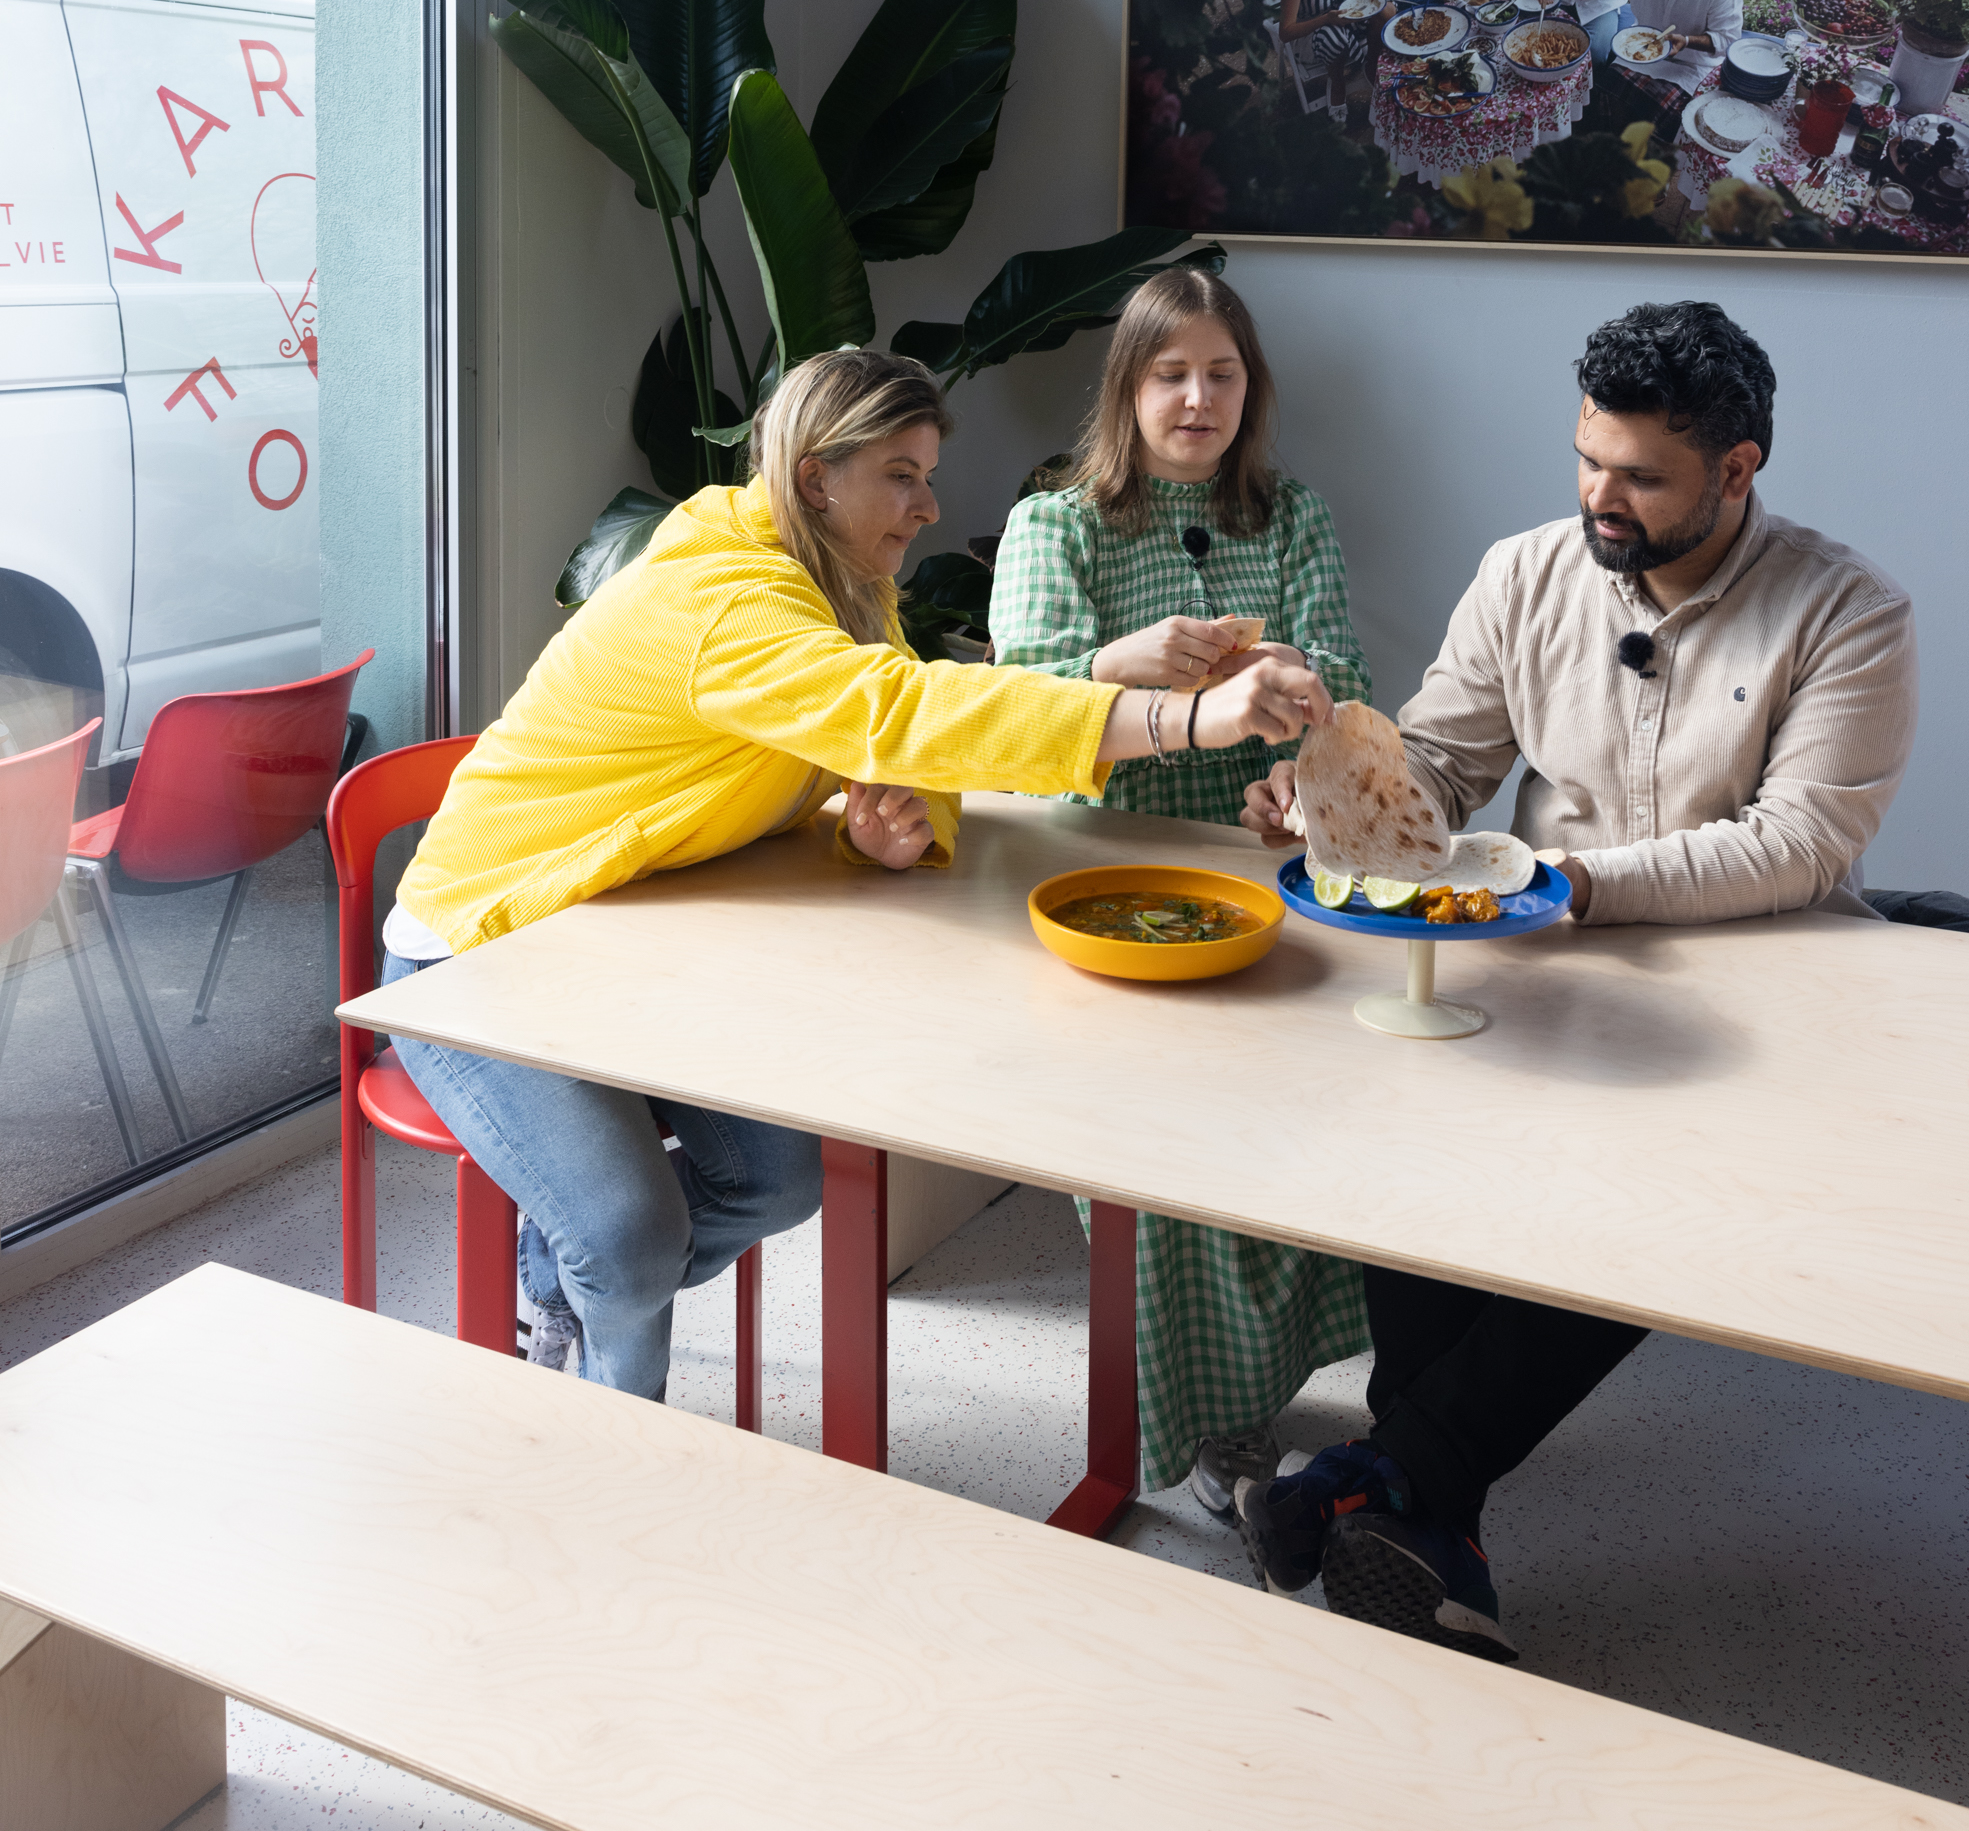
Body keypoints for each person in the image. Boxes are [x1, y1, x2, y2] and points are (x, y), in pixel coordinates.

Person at [382, 347, 1322, 1397]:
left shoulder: (841, 585)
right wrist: (1181, 719)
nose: (929, 507)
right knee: (631, 1238)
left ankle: (570, 1279)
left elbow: (908, 733)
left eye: (928, 475)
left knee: (777, 1180)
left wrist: (886, 830)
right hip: (477, 949)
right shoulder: (721, 599)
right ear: (816, 477)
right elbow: (902, 713)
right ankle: (605, 1409)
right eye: (901, 475)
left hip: (613, 935)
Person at [1234, 299, 1916, 1662]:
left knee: (1660, 1212)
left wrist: (1575, 885)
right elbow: (1439, 767)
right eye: (1586, 460)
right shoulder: (1525, 572)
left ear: (1737, 469)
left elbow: (1798, 843)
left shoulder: (1849, 610)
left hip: (1767, 992)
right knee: (1412, 1157)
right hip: (1547, 960)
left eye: (1641, 477)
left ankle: (1370, 1478)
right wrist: (1330, 804)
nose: (1600, 496)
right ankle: (1419, 1513)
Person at [990, 266, 1373, 1513]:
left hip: (1259, 873)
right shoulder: (1054, 523)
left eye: (1221, 373)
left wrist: (1293, 770)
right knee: (1160, 1180)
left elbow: (1344, 680)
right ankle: (1206, 1428)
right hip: (1101, 886)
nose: (1197, 399)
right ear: (1126, 386)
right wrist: (1124, 661)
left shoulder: (1291, 513)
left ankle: (1252, 1405)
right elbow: (1016, 710)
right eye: (1170, 374)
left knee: (1286, 1146)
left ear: (1250, 389)